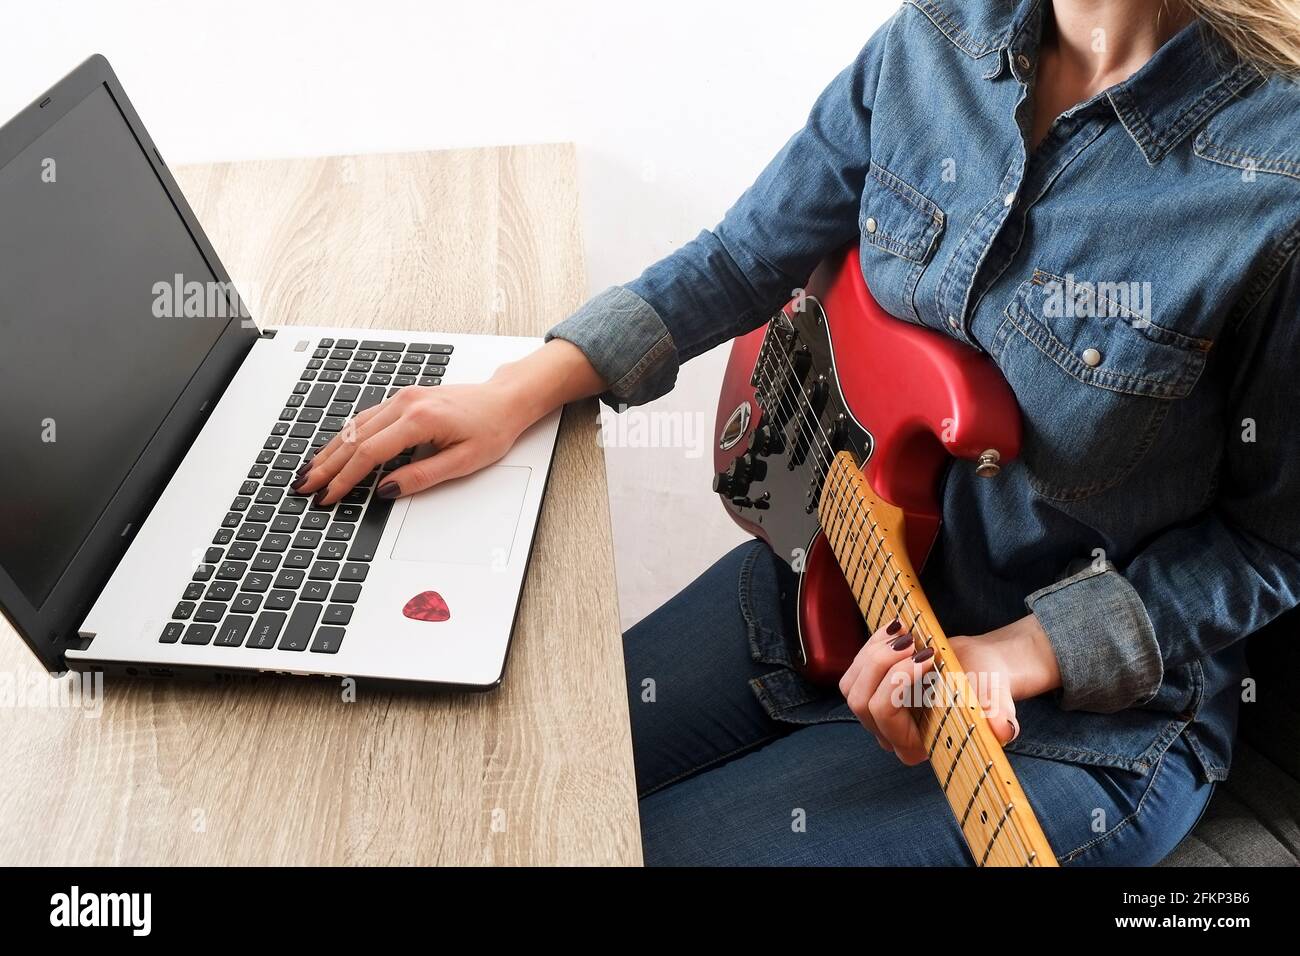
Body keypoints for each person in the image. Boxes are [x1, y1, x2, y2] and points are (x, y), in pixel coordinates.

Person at [295, 0, 1300, 864]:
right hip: (825, 568)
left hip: (1076, 723)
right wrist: (524, 385)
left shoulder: (1278, 187)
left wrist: (1015, 652)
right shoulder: (934, 37)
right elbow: (746, 254)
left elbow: (1271, 547)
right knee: (500, 806)